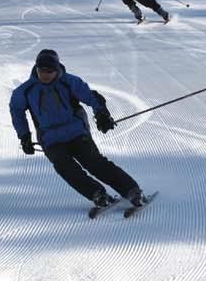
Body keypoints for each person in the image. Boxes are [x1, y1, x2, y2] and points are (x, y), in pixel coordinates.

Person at [10, 49, 146, 211]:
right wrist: (24, 135)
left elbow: (92, 96)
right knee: (66, 168)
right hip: (50, 138)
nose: (45, 75)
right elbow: (16, 111)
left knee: (94, 163)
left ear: (57, 69)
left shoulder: (69, 82)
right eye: (41, 71)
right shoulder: (26, 91)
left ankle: (131, 190)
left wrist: (102, 114)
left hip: (76, 132)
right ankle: (97, 194)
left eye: (49, 71)